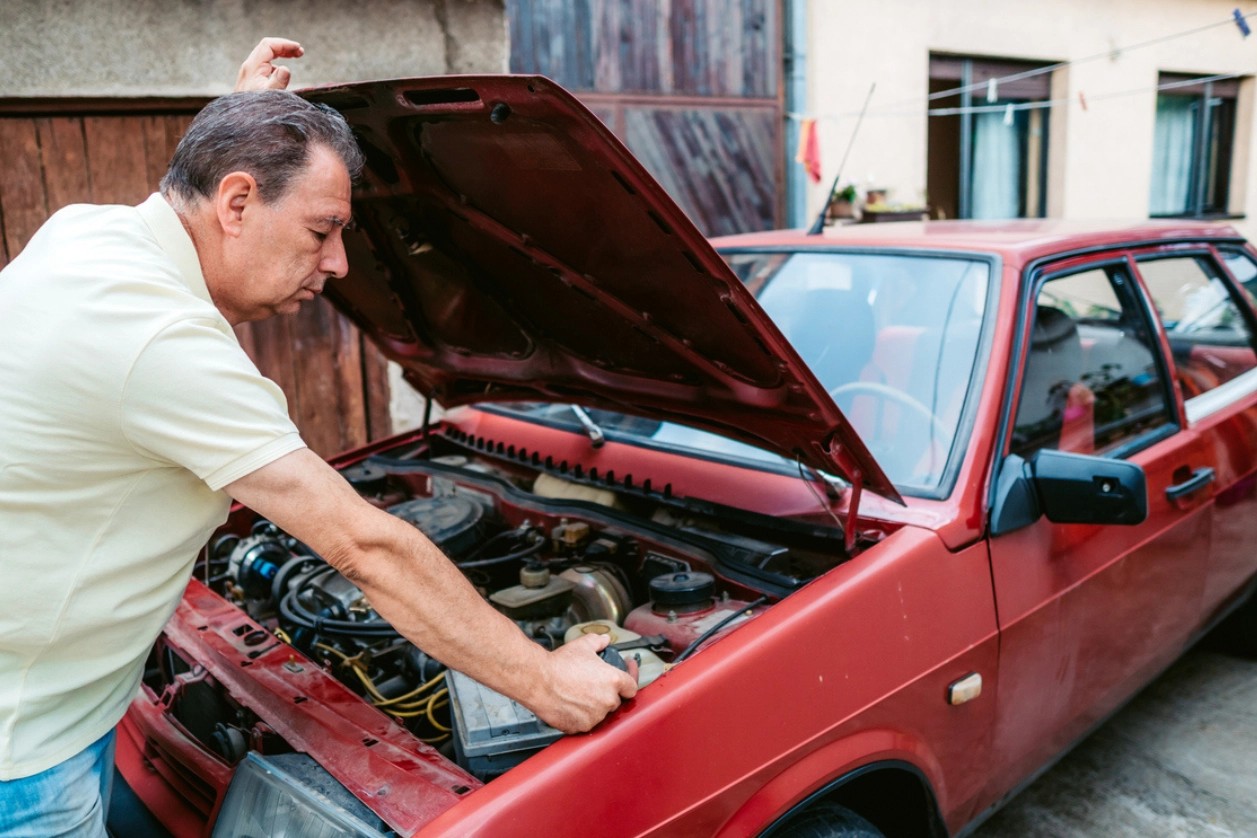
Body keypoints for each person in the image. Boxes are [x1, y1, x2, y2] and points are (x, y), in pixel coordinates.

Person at [0, 38, 635, 836]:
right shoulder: (159, 342)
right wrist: (542, 679)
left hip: (58, 696)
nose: (338, 262)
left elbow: (191, 202)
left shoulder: (90, 235)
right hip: (23, 752)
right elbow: (364, 548)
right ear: (235, 204)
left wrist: (241, 118)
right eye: (322, 229)